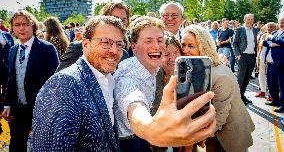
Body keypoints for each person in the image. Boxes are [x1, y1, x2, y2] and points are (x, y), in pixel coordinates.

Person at [31, 16, 216, 151]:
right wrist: (151, 130)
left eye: (119, 44)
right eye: (105, 42)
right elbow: (132, 98)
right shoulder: (64, 84)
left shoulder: (111, 75)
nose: (113, 50)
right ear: (85, 45)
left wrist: (215, 61)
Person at [114, 16, 216, 152]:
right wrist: (151, 130)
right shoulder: (126, 75)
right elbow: (133, 101)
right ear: (134, 46)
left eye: (159, 40)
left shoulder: (154, 65)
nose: (156, 46)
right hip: (129, 142)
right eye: (148, 41)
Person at [181, 25, 255, 152]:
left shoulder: (219, 76)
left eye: (191, 46)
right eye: (183, 45)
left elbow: (220, 116)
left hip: (231, 135)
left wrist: (197, 138)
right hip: (213, 134)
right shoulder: (197, 66)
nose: (185, 50)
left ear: (204, 46)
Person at [1, 10, 59, 152]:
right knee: (16, 145)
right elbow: (11, 79)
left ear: (32, 25)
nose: (21, 28)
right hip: (18, 108)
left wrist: (52, 108)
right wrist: (7, 104)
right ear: (12, 28)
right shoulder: (13, 50)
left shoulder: (47, 49)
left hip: (41, 108)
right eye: (17, 25)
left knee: (42, 146)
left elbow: (55, 82)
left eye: (25, 24)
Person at [56, 2, 131, 72]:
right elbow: (59, 79)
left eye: (123, 20)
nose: (119, 23)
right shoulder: (78, 48)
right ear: (103, 20)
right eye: (114, 19)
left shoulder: (124, 54)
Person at [150, 33, 182, 152]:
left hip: (183, 132)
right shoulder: (153, 76)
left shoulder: (189, 76)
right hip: (159, 131)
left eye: (176, 52)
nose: (172, 58)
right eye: (166, 54)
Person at [233, 13, 258, 105]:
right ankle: (237, 97)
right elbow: (234, 43)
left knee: (247, 78)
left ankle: (242, 95)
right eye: (248, 19)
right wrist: (238, 54)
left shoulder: (255, 30)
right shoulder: (240, 29)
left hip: (252, 56)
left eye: (252, 19)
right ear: (244, 20)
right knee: (240, 78)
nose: (250, 21)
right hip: (242, 56)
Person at [263, 16, 284, 113]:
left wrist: (272, 38)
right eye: (280, 22)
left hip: (280, 63)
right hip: (270, 63)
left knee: (282, 85)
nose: (281, 23)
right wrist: (272, 44)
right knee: (272, 84)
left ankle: (282, 105)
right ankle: (275, 100)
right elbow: (264, 42)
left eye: (283, 22)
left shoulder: (273, 35)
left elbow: (282, 42)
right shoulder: (275, 32)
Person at [255, 22, 276, 98]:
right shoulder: (263, 35)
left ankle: (271, 94)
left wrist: (266, 42)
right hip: (260, 59)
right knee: (261, 75)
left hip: (270, 60)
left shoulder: (275, 36)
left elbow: (267, 44)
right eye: (268, 27)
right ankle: (262, 91)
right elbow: (259, 45)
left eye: (271, 27)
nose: (269, 29)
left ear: (275, 28)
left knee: (270, 78)